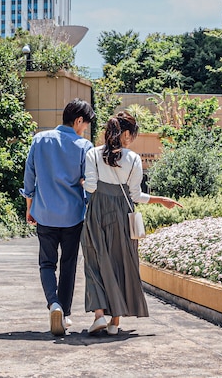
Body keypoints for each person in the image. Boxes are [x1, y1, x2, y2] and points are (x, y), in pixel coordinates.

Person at [81, 111, 181, 335]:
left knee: (94, 261)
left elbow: (90, 187)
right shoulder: (133, 159)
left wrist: (81, 182)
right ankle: (115, 322)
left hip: (97, 212)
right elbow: (135, 195)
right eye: (133, 134)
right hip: (122, 214)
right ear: (126, 134)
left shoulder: (93, 154)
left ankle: (99, 315)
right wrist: (160, 200)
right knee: (121, 264)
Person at [20, 98, 95, 336]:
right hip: (73, 215)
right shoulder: (84, 147)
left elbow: (29, 176)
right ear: (78, 120)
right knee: (69, 264)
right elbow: (88, 183)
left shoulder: (40, 140)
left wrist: (29, 205)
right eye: (85, 125)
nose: (85, 130)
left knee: (46, 263)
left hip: (45, 213)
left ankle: (53, 304)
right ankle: (65, 312)